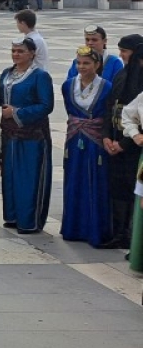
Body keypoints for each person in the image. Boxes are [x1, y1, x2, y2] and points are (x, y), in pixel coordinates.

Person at [0, 35, 54, 235]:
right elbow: (2, 100)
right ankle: (13, 216)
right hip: (10, 135)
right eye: (14, 51)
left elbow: (46, 105)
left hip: (32, 136)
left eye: (21, 51)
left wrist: (17, 112)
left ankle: (29, 220)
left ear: (32, 53)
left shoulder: (39, 76)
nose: (16, 54)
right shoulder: (8, 73)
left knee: (29, 176)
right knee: (10, 174)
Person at [61, 46, 113, 247]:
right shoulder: (68, 85)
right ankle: (73, 228)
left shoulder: (106, 86)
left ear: (97, 65)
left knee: (95, 180)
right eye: (78, 63)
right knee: (74, 179)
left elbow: (108, 115)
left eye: (86, 63)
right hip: (75, 140)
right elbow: (69, 110)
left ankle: (94, 229)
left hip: (96, 140)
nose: (81, 67)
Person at [108, 34, 143, 258]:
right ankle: (120, 232)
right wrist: (107, 137)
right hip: (116, 140)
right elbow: (111, 106)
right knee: (119, 189)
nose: (122, 55)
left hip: (132, 147)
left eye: (125, 51)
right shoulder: (124, 73)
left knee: (134, 192)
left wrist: (125, 143)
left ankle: (133, 237)